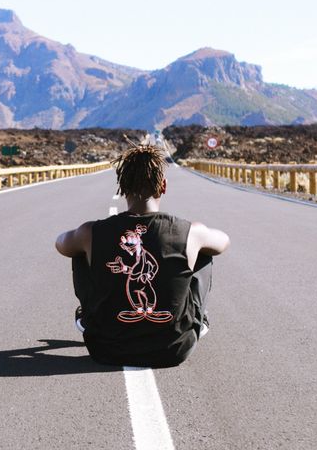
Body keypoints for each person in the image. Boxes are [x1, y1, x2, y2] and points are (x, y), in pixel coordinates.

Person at [54, 144, 230, 368]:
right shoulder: (189, 231)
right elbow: (224, 242)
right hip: (174, 349)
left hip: (106, 348)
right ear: (163, 186)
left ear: (122, 188)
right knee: (204, 252)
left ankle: (90, 318)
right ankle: (197, 319)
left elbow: (61, 244)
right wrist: (195, 238)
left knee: (78, 250)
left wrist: (87, 241)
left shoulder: (91, 232)